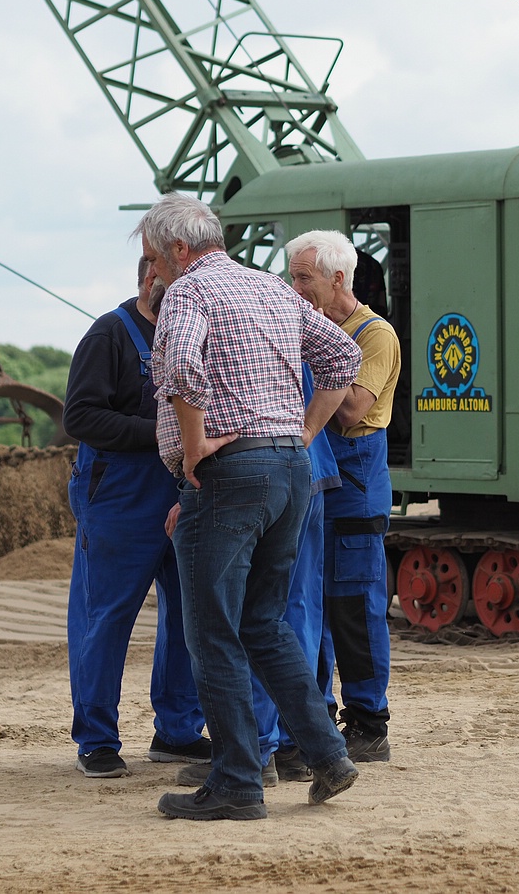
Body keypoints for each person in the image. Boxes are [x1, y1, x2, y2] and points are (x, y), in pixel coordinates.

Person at [140, 193, 365, 821]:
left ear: (179, 249)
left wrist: (194, 454)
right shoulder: (271, 288)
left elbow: (181, 371)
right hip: (288, 473)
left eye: (154, 259)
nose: (153, 273)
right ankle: (327, 755)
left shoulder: (190, 291)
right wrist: (298, 435)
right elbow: (343, 357)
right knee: (264, 623)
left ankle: (238, 782)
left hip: (230, 472)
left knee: (212, 631)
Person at [62, 256, 210, 778]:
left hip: (184, 491)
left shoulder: (195, 327)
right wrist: (160, 434)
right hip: (118, 497)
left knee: (189, 617)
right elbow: (78, 416)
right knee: (105, 616)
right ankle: (96, 739)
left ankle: (178, 731)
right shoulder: (110, 334)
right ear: (149, 278)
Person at [286, 230, 401, 763]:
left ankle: (368, 721)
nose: (295, 286)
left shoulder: (376, 336)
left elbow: (352, 409)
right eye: (292, 276)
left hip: (356, 481)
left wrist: (309, 363)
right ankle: (318, 717)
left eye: (304, 277)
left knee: (354, 607)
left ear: (338, 279)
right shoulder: (307, 326)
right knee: (311, 603)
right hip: (314, 476)